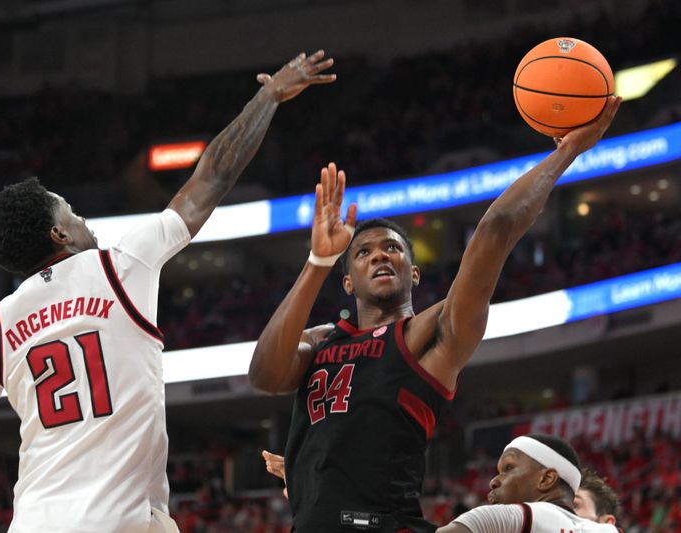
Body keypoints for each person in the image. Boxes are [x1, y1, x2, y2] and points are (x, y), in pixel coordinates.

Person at [0, 50, 336, 533]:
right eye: (70, 212)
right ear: (58, 235)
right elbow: (212, 177)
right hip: (123, 522)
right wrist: (269, 96)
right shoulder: (120, 267)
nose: (82, 218)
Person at [248, 96, 621, 532]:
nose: (379, 256)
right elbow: (265, 375)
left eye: (393, 248)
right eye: (363, 253)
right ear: (347, 281)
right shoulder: (321, 339)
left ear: (415, 272)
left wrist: (566, 153)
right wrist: (317, 261)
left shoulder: (430, 337)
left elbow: (494, 232)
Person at [436, 435, 621, 532]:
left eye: (508, 468)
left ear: (546, 479)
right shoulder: (606, 530)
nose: (494, 481)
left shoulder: (504, 518)